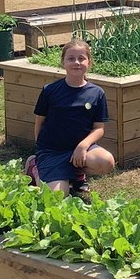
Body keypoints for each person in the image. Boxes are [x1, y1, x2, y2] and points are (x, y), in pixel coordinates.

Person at [24, 38, 116, 196]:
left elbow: (99, 129)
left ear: (89, 62)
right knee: (57, 198)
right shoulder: (50, 91)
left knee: (106, 162)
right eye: (71, 58)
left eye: (81, 58)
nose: (77, 62)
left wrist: (83, 146)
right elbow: (40, 122)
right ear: (63, 63)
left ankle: (77, 173)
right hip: (52, 152)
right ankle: (35, 166)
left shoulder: (97, 93)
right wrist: (41, 151)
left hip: (81, 150)